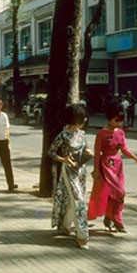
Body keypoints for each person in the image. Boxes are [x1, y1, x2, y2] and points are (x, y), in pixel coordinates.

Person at [87, 103, 137, 233]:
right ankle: (117, 220)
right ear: (109, 119)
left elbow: (124, 149)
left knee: (115, 195)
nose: (119, 123)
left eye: (121, 121)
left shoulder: (121, 132)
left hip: (118, 165)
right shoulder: (101, 134)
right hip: (106, 165)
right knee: (119, 193)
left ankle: (110, 218)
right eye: (116, 120)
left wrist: (135, 157)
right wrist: (96, 170)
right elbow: (97, 153)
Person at [48, 103, 93, 250]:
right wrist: (64, 160)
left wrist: (89, 153)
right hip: (69, 171)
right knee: (79, 201)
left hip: (81, 171)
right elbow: (51, 152)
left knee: (70, 199)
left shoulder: (82, 134)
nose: (84, 121)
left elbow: (85, 149)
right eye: (81, 119)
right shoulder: (63, 135)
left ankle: (65, 225)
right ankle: (82, 236)